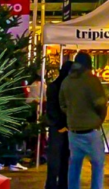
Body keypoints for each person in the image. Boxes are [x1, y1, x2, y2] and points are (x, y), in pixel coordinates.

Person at [60, 52, 107, 189]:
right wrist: (99, 119)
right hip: (91, 130)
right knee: (98, 164)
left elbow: (62, 104)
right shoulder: (91, 80)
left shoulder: (67, 81)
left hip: (74, 130)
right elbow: (100, 104)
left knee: (74, 164)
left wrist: (71, 115)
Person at [46, 61, 72, 189]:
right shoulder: (59, 87)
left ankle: (56, 184)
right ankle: (58, 184)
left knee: (60, 158)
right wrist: (62, 124)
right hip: (59, 127)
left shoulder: (55, 86)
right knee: (59, 158)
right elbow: (52, 108)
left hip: (60, 126)